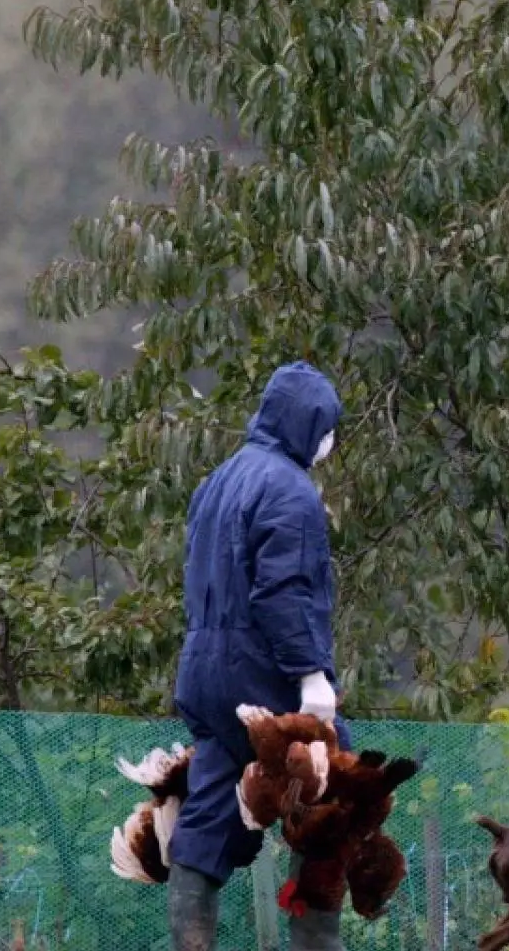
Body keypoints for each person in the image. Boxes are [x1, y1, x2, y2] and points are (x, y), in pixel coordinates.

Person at [168, 361, 351, 951]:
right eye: (327, 427)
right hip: (264, 676)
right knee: (335, 797)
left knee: (209, 809)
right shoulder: (290, 490)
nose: (329, 442)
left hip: (205, 673)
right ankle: (314, 943)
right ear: (308, 424)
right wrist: (311, 677)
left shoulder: (216, 481)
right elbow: (284, 592)